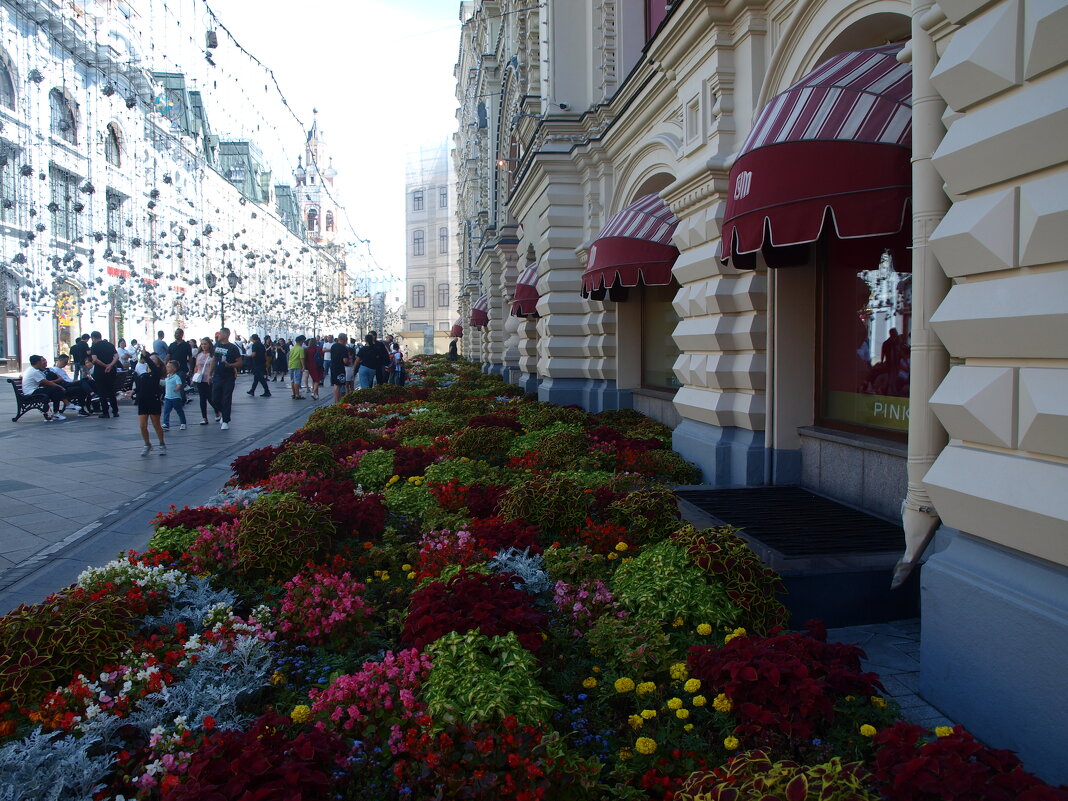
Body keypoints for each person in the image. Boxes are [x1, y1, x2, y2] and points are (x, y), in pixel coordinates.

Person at [135, 351, 166, 456]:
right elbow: (139, 388)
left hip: (153, 400)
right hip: (143, 401)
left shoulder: (156, 373)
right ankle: (147, 444)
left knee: (156, 424)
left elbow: (151, 365)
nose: (150, 360)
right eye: (150, 359)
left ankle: (162, 444)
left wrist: (146, 356)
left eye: (153, 359)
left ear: (157, 363)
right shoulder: (144, 374)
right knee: (142, 426)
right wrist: (132, 392)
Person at [210, 327, 242, 430]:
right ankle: (223, 413)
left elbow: (240, 362)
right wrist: (210, 374)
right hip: (217, 375)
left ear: (224, 335)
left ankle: (225, 420)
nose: (217, 336)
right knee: (215, 398)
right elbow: (214, 360)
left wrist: (231, 365)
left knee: (226, 398)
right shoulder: (217, 346)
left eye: (219, 334)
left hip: (228, 376)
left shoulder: (233, 348)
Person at [22, 355, 66, 421]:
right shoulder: (35, 372)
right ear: (38, 362)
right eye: (41, 361)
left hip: (32, 391)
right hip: (32, 392)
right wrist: (60, 387)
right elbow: (47, 382)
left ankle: (52, 412)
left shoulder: (30, 369)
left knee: (54, 390)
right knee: (56, 389)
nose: (42, 363)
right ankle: (55, 413)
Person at [90, 331, 120, 418]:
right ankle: (115, 411)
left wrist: (105, 366)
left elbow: (95, 359)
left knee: (102, 391)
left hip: (100, 371)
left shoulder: (94, 346)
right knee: (111, 391)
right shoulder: (109, 345)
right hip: (111, 371)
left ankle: (105, 412)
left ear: (93, 338)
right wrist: (110, 365)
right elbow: (116, 356)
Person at [193, 337, 219, 424]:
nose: (203, 346)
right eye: (202, 344)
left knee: (211, 398)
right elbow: (196, 367)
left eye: (205, 344)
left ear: (209, 345)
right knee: (202, 398)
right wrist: (194, 377)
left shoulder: (212, 355)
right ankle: (204, 418)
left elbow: (215, 366)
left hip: (210, 379)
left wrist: (212, 375)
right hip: (200, 379)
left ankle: (217, 411)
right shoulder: (199, 355)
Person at [168, 328, 194, 405]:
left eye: (178, 333)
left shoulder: (186, 345)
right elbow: (168, 356)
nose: (176, 335)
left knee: (180, 385)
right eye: (175, 333)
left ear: (182, 335)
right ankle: (175, 399)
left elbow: (190, 357)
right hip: (172, 369)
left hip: (182, 368)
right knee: (172, 385)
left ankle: (181, 400)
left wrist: (191, 369)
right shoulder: (172, 345)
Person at [160, 360, 187, 431]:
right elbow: (164, 383)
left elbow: (179, 384)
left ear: (174, 369)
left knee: (179, 410)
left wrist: (177, 388)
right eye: (167, 367)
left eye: (169, 367)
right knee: (166, 411)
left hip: (176, 398)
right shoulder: (167, 377)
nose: (167, 368)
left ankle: (183, 423)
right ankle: (166, 424)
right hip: (168, 397)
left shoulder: (176, 377)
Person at [329, 333, 350, 403]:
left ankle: (336, 400)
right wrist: (348, 363)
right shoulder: (343, 348)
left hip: (333, 366)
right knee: (339, 385)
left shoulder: (333, 346)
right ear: (344, 339)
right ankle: (337, 401)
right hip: (340, 368)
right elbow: (345, 360)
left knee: (335, 384)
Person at [288, 334, 307, 399]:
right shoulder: (301, 349)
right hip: (297, 365)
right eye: (303, 341)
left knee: (292, 380)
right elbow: (302, 358)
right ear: (301, 341)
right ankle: (297, 395)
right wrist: (303, 366)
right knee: (297, 380)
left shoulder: (292, 348)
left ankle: (294, 394)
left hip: (291, 365)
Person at [305, 335, 323, 400]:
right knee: (317, 380)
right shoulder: (318, 348)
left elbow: (305, 359)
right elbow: (321, 356)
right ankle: (313, 392)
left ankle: (317, 394)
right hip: (317, 366)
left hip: (310, 366)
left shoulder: (306, 349)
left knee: (314, 379)